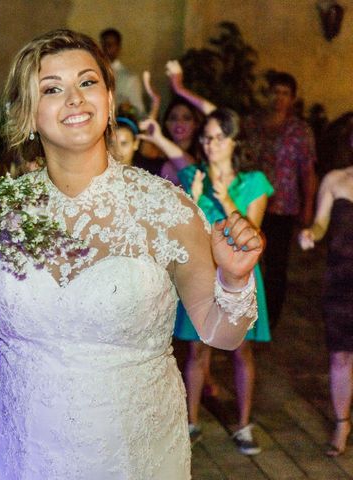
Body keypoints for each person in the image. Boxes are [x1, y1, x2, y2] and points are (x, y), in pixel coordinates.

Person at [0, 29, 264, 479]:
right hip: (29, 451)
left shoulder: (166, 209)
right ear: (28, 114)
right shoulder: (1, 210)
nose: (75, 99)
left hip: (132, 454)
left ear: (109, 96)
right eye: (52, 89)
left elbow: (222, 334)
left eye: (86, 82)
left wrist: (234, 280)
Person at [142, 109, 273, 455]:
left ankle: (244, 425)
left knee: (240, 349)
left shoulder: (254, 182)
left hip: (238, 276)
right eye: (205, 137)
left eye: (218, 137)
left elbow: (253, 236)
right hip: (202, 274)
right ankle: (191, 421)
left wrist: (225, 198)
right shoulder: (194, 175)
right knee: (197, 349)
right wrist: (196, 197)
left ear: (234, 141)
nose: (209, 143)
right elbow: (187, 229)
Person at [243, 71, 317, 331]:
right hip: (251, 203)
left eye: (285, 94)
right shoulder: (252, 124)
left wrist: (309, 206)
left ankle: (270, 318)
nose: (279, 98)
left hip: (283, 206)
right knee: (247, 260)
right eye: (275, 92)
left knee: (275, 265)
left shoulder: (299, 131)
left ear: (293, 98)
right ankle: (245, 314)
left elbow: (307, 171)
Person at [298, 115, 353, 457]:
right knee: (340, 355)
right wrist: (310, 234)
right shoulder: (335, 179)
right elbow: (319, 224)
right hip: (341, 278)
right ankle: (342, 422)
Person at [137, 61, 206, 183]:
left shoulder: (204, 154)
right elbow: (144, 149)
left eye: (186, 118)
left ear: (196, 124)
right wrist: (155, 103)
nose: (179, 123)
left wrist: (180, 89)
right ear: (166, 124)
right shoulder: (158, 152)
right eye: (173, 118)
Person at [99, 28, 144, 116]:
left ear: (118, 47)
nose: (106, 47)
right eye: (103, 44)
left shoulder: (130, 78)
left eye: (111, 44)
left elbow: (139, 110)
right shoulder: (95, 72)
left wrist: (125, 109)